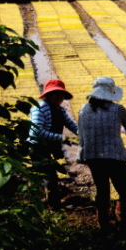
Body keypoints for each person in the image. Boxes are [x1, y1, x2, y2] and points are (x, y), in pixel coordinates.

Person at [77, 76, 126, 237]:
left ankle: (104, 229)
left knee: (102, 191)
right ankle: (121, 234)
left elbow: (81, 133)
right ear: (111, 93)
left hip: (93, 157)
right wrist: (119, 129)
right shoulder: (119, 110)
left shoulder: (83, 109)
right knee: (125, 193)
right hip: (114, 157)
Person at [28, 78, 78, 208]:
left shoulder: (59, 110)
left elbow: (72, 126)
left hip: (49, 145)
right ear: (48, 94)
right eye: (56, 93)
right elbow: (36, 133)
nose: (60, 96)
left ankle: (46, 201)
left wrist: (85, 135)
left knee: (48, 174)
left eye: (61, 93)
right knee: (49, 175)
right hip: (38, 147)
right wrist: (60, 138)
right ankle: (53, 206)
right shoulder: (40, 109)